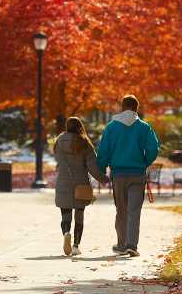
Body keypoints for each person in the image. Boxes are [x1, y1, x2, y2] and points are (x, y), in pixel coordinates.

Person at [97, 95, 160, 256]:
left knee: (121, 210)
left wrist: (102, 168)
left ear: (122, 107)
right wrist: (145, 162)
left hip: (118, 174)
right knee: (134, 210)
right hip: (137, 174)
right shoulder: (144, 127)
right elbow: (154, 148)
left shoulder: (112, 127)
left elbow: (103, 150)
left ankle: (121, 243)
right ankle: (132, 244)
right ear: (136, 108)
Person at [53, 117, 108, 256]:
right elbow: (93, 167)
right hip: (81, 185)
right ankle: (76, 246)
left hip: (63, 183)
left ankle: (66, 232)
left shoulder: (58, 142)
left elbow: (58, 160)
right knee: (79, 216)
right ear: (80, 127)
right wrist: (105, 179)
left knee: (65, 215)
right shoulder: (84, 143)